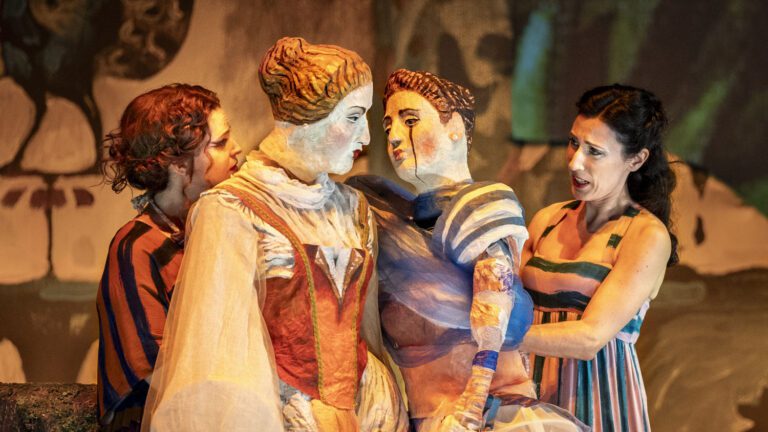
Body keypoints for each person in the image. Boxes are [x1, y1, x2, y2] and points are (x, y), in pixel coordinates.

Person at [142, 37, 407, 432]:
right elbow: (216, 358)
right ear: (306, 118)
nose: (366, 137)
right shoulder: (230, 208)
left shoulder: (354, 209)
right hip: (281, 418)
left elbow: (368, 337)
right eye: (353, 117)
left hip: (373, 414)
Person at [349, 69, 585, 431]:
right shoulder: (384, 219)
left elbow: (493, 302)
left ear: (455, 127)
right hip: (422, 419)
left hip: (491, 417)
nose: (394, 136)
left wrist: (473, 404)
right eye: (388, 125)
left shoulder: (484, 206)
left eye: (410, 121)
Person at [520, 83, 677, 431]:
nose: (575, 161)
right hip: (528, 403)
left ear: (636, 159)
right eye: (574, 143)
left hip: (598, 405)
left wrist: (497, 335)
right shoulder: (547, 220)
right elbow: (506, 299)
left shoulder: (645, 235)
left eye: (595, 151)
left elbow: (589, 338)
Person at [97, 84, 242, 431]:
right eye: (221, 143)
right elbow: (153, 372)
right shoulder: (136, 247)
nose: (237, 149)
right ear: (177, 165)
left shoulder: (218, 229)